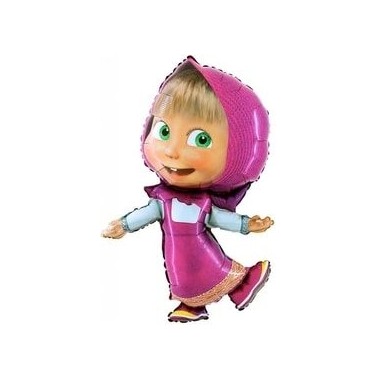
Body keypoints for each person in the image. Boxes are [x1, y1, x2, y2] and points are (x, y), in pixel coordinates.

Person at [102, 56, 273, 322]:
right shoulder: (163, 200)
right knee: (180, 276)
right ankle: (192, 304)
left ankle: (243, 283)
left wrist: (247, 224)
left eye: (200, 139)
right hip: (177, 255)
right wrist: (123, 225)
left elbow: (220, 219)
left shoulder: (202, 203)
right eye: (164, 131)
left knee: (215, 269)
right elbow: (144, 215)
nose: (172, 151)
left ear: (236, 150)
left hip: (202, 251)